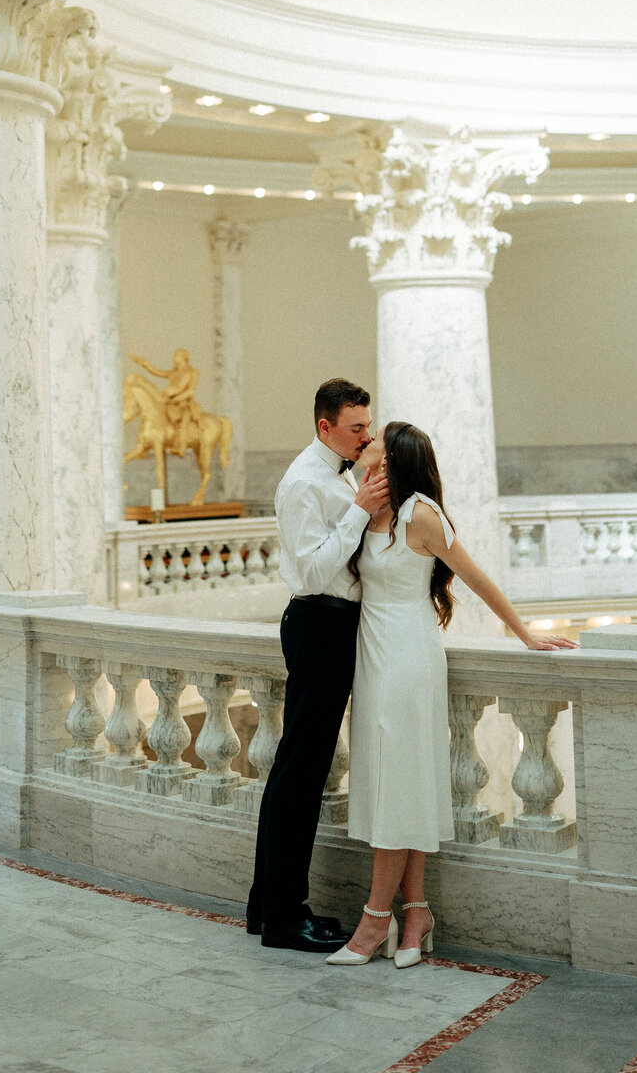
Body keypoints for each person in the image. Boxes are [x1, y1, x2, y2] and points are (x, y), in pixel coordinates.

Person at [327, 420, 576, 968]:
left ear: (394, 460)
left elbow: (477, 577)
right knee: (399, 780)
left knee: (398, 780)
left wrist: (525, 633)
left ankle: (374, 922)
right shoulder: (371, 507)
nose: (367, 447)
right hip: (372, 653)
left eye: (376, 445)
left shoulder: (421, 513)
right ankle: (416, 911)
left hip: (408, 655)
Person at [246, 377, 390, 952]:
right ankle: (284, 916)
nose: (367, 436)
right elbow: (309, 572)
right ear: (324, 426)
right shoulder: (306, 481)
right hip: (319, 624)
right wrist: (357, 511)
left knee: (297, 772)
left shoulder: (337, 472)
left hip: (332, 626)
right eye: (356, 428)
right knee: (299, 776)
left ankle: (267, 907)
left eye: (368, 425)